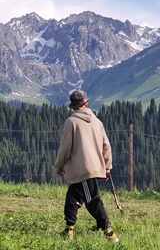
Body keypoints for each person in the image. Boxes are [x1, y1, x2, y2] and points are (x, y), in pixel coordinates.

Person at [54, 90, 119, 243]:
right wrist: (107, 166)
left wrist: (59, 166)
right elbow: (106, 146)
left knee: (89, 201)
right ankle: (71, 230)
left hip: (82, 169)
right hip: (95, 167)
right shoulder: (97, 122)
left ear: (73, 106)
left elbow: (65, 148)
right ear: (86, 103)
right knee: (79, 198)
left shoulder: (71, 122)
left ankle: (109, 233)